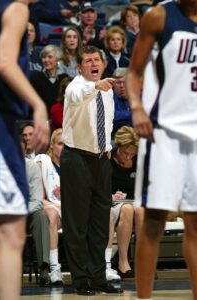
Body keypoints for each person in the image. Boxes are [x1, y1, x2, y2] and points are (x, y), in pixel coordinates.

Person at [125, 0, 197, 299]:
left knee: (195, 223)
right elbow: (132, 73)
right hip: (163, 131)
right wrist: (137, 107)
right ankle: (144, 297)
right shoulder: (159, 16)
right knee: (154, 220)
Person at [60, 45, 123, 295]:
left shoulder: (106, 90)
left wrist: (107, 146)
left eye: (97, 59)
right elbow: (79, 95)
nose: (93, 63)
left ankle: (99, 277)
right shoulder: (75, 87)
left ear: (103, 63)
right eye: (88, 60)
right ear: (79, 66)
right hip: (76, 159)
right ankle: (81, 279)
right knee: (77, 225)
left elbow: (106, 122)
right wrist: (95, 86)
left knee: (99, 224)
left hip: (100, 161)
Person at [0, 1, 50, 300]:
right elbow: (3, 61)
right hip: (0, 123)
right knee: (10, 231)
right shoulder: (16, 8)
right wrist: (39, 104)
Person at [106, 126, 144, 281]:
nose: (129, 158)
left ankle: (142, 261)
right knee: (127, 209)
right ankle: (123, 262)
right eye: (125, 153)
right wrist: (111, 196)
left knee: (141, 211)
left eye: (132, 154)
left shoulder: (138, 162)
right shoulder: (107, 159)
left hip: (134, 202)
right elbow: (99, 188)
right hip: (112, 204)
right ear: (118, 147)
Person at [35, 128, 64, 286]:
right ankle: (54, 268)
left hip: (67, 209)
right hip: (46, 206)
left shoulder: (71, 166)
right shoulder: (42, 161)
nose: (63, 148)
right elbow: (39, 197)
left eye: (66, 145)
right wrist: (55, 204)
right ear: (52, 145)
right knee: (52, 214)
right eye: (60, 144)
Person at [21, 140, 51, 287]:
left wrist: (19, 212)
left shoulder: (31, 167)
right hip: (3, 216)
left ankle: (44, 270)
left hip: (25, 215)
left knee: (41, 216)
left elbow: (37, 201)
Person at [30, 44, 68, 116]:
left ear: (57, 60)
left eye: (50, 57)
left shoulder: (64, 79)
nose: (46, 60)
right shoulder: (35, 78)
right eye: (44, 57)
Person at [112, 67, 132, 137]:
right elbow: (113, 117)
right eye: (118, 82)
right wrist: (134, 114)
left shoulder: (137, 96)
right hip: (115, 138)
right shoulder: (108, 98)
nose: (122, 86)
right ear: (113, 84)